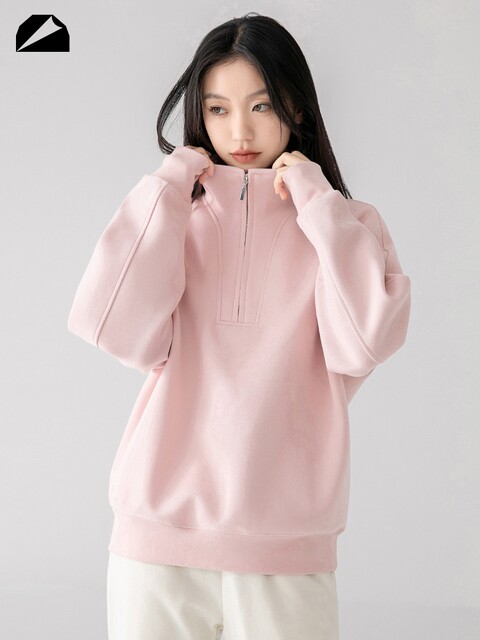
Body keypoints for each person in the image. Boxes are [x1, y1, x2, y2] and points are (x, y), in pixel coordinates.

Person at [67, 12, 411, 640]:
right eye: (218, 110)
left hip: (286, 553)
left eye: (261, 105)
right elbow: (115, 327)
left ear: (296, 108)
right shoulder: (176, 217)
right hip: (155, 547)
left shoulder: (347, 227)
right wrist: (169, 186)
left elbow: (363, 342)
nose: (240, 131)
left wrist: (315, 200)